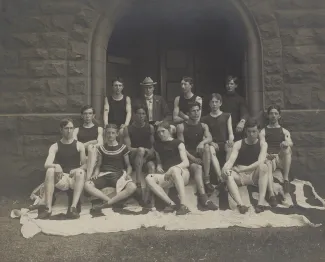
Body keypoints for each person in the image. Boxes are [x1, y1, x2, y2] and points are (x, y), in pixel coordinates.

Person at [38, 118, 87, 219]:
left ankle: (73, 208)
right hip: (62, 178)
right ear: (61, 130)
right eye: (66, 128)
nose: (69, 131)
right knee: (50, 170)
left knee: (81, 172)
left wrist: (77, 169)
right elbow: (47, 164)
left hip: (75, 178)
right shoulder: (55, 146)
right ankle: (48, 208)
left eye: (71, 128)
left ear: (73, 129)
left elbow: (85, 165)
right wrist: (56, 165)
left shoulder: (79, 145)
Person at [221, 119, 270, 214]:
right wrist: (226, 168)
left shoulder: (263, 144)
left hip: (253, 175)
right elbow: (231, 160)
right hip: (240, 176)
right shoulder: (239, 143)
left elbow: (260, 162)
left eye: (254, 131)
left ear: (258, 131)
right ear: (245, 131)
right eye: (249, 131)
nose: (251, 134)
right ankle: (241, 205)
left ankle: (260, 204)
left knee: (263, 167)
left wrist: (244, 169)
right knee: (229, 173)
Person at [84, 124, 137, 211]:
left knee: (132, 187)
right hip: (104, 175)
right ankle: (111, 201)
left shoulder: (123, 147)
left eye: (113, 133)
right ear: (105, 134)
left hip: (118, 174)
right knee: (87, 185)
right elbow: (98, 165)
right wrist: (95, 173)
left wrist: (128, 174)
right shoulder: (102, 148)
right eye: (108, 133)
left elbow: (128, 165)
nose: (110, 135)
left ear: (117, 134)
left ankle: (107, 204)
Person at [176, 102, 218, 210]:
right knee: (198, 167)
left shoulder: (203, 126)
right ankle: (204, 198)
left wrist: (202, 143)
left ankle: (207, 179)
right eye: (193, 111)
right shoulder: (181, 127)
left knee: (207, 147)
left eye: (198, 110)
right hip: (187, 156)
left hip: (199, 154)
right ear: (188, 113)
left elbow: (210, 138)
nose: (196, 113)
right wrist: (192, 158)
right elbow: (181, 147)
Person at [145, 121, 191, 215]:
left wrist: (172, 169)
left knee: (174, 170)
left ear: (169, 130)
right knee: (148, 178)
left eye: (163, 131)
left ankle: (183, 205)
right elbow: (159, 159)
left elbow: (186, 162)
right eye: (158, 132)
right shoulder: (157, 145)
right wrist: (159, 165)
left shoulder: (178, 143)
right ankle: (171, 204)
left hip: (182, 174)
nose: (161, 134)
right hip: (167, 176)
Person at [123, 104, 155, 202]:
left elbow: (153, 146)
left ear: (146, 115)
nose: (141, 116)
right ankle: (138, 182)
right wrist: (141, 150)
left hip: (146, 157)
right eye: (139, 113)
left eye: (143, 114)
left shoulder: (150, 127)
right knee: (140, 150)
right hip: (134, 156)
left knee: (151, 167)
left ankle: (149, 196)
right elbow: (128, 148)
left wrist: (149, 151)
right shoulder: (128, 129)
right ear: (134, 115)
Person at [260, 105, 293, 197]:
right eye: (271, 113)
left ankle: (286, 179)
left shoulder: (284, 131)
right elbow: (262, 144)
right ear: (268, 116)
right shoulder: (263, 131)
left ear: (279, 116)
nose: (273, 116)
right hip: (270, 159)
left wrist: (286, 143)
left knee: (287, 149)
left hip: (281, 158)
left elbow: (290, 142)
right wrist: (266, 154)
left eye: (276, 113)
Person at [201, 93, 234, 183]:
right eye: (212, 102)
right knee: (210, 149)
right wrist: (211, 143)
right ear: (209, 104)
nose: (214, 104)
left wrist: (230, 140)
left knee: (230, 147)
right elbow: (204, 135)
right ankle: (220, 176)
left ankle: (226, 171)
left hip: (224, 142)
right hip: (213, 143)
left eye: (216, 102)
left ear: (220, 103)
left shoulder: (227, 116)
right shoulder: (205, 118)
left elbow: (230, 132)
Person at [221, 76, 248, 141]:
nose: (229, 86)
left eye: (231, 84)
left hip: (236, 128)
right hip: (224, 128)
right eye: (227, 84)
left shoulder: (240, 99)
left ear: (236, 85)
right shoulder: (221, 99)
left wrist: (242, 122)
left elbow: (244, 112)